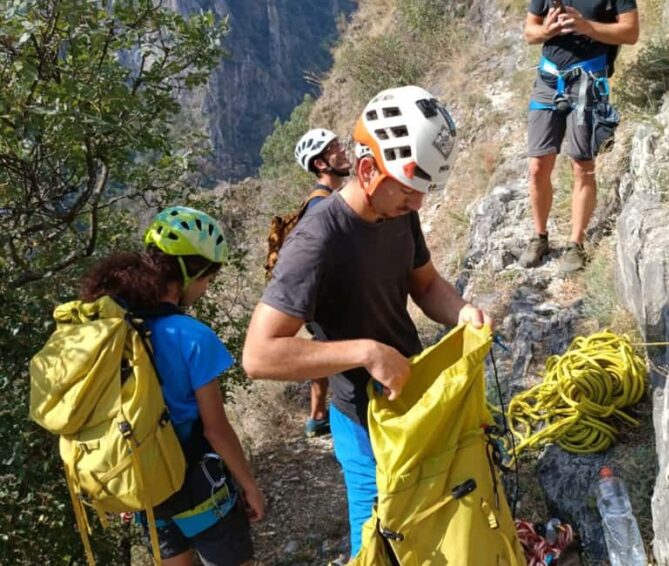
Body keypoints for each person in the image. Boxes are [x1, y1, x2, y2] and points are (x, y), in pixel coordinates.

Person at [242, 85, 491, 558]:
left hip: (409, 397)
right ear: (366, 169)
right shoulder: (316, 242)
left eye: (423, 190)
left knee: (430, 514)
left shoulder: (397, 210)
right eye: (408, 189)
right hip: (360, 417)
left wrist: (463, 312)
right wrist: (366, 352)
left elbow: (426, 286)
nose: (417, 204)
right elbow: (259, 354)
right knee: (378, 536)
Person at [79, 206, 265, 566]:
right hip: (198, 485)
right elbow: (215, 430)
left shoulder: (118, 334)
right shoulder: (192, 336)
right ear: (188, 274)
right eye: (207, 279)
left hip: (147, 490)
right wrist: (249, 485)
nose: (206, 289)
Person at [520, 0, 639, 272]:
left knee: (582, 166)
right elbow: (529, 32)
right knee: (538, 165)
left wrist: (587, 27)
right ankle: (539, 237)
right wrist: (546, 31)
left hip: (589, 80)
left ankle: (576, 243)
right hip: (548, 80)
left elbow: (631, 32)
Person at [293, 128, 354, 437]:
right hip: (330, 303)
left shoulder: (322, 201)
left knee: (324, 352)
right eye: (333, 148)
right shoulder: (322, 206)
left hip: (320, 303)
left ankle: (317, 417)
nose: (343, 150)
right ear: (320, 164)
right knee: (339, 359)